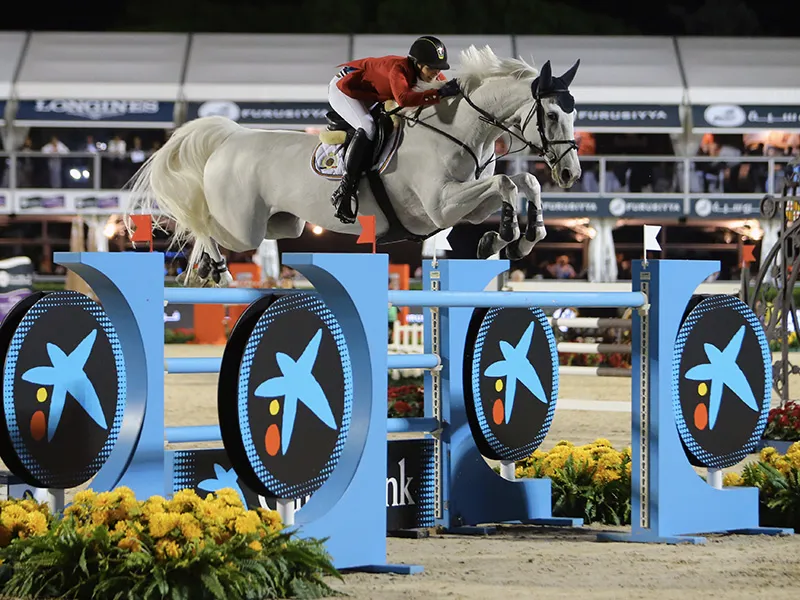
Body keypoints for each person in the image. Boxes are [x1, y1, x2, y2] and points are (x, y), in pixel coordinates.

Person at [327, 35, 461, 223]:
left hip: (370, 90)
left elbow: (443, 90)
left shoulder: (431, 72)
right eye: (431, 68)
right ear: (416, 64)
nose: (435, 74)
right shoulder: (398, 70)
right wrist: (439, 93)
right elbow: (404, 99)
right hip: (344, 88)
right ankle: (345, 190)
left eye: (439, 69)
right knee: (368, 126)